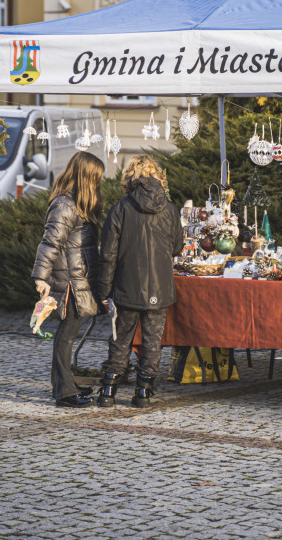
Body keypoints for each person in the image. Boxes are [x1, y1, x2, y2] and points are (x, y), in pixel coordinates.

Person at [95, 155, 184, 408]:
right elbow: (177, 247)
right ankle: (143, 392)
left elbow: (108, 255)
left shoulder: (120, 208)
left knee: (120, 338)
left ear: (130, 176)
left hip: (126, 286)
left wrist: (103, 291)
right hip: (160, 287)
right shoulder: (170, 208)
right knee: (152, 341)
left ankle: (108, 392)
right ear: (156, 175)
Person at [33, 151, 105, 408]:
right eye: (96, 178)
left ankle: (64, 385)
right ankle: (64, 392)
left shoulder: (78, 204)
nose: (99, 183)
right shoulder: (65, 204)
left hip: (78, 279)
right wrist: (41, 276)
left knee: (67, 335)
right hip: (70, 283)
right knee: (66, 336)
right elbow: (50, 242)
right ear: (86, 177)